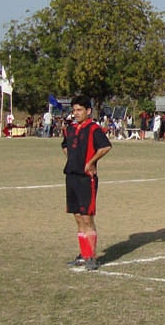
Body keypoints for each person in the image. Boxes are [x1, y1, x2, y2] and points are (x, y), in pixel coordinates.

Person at [62, 97, 113, 270]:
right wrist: (72, 159)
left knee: (87, 216)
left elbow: (105, 147)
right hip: (71, 176)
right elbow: (65, 146)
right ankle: (83, 254)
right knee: (77, 216)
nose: (76, 113)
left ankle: (91, 255)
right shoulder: (70, 129)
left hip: (86, 178)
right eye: (74, 110)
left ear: (88, 111)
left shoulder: (93, 129)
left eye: (79, 110)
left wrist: (91, 162)